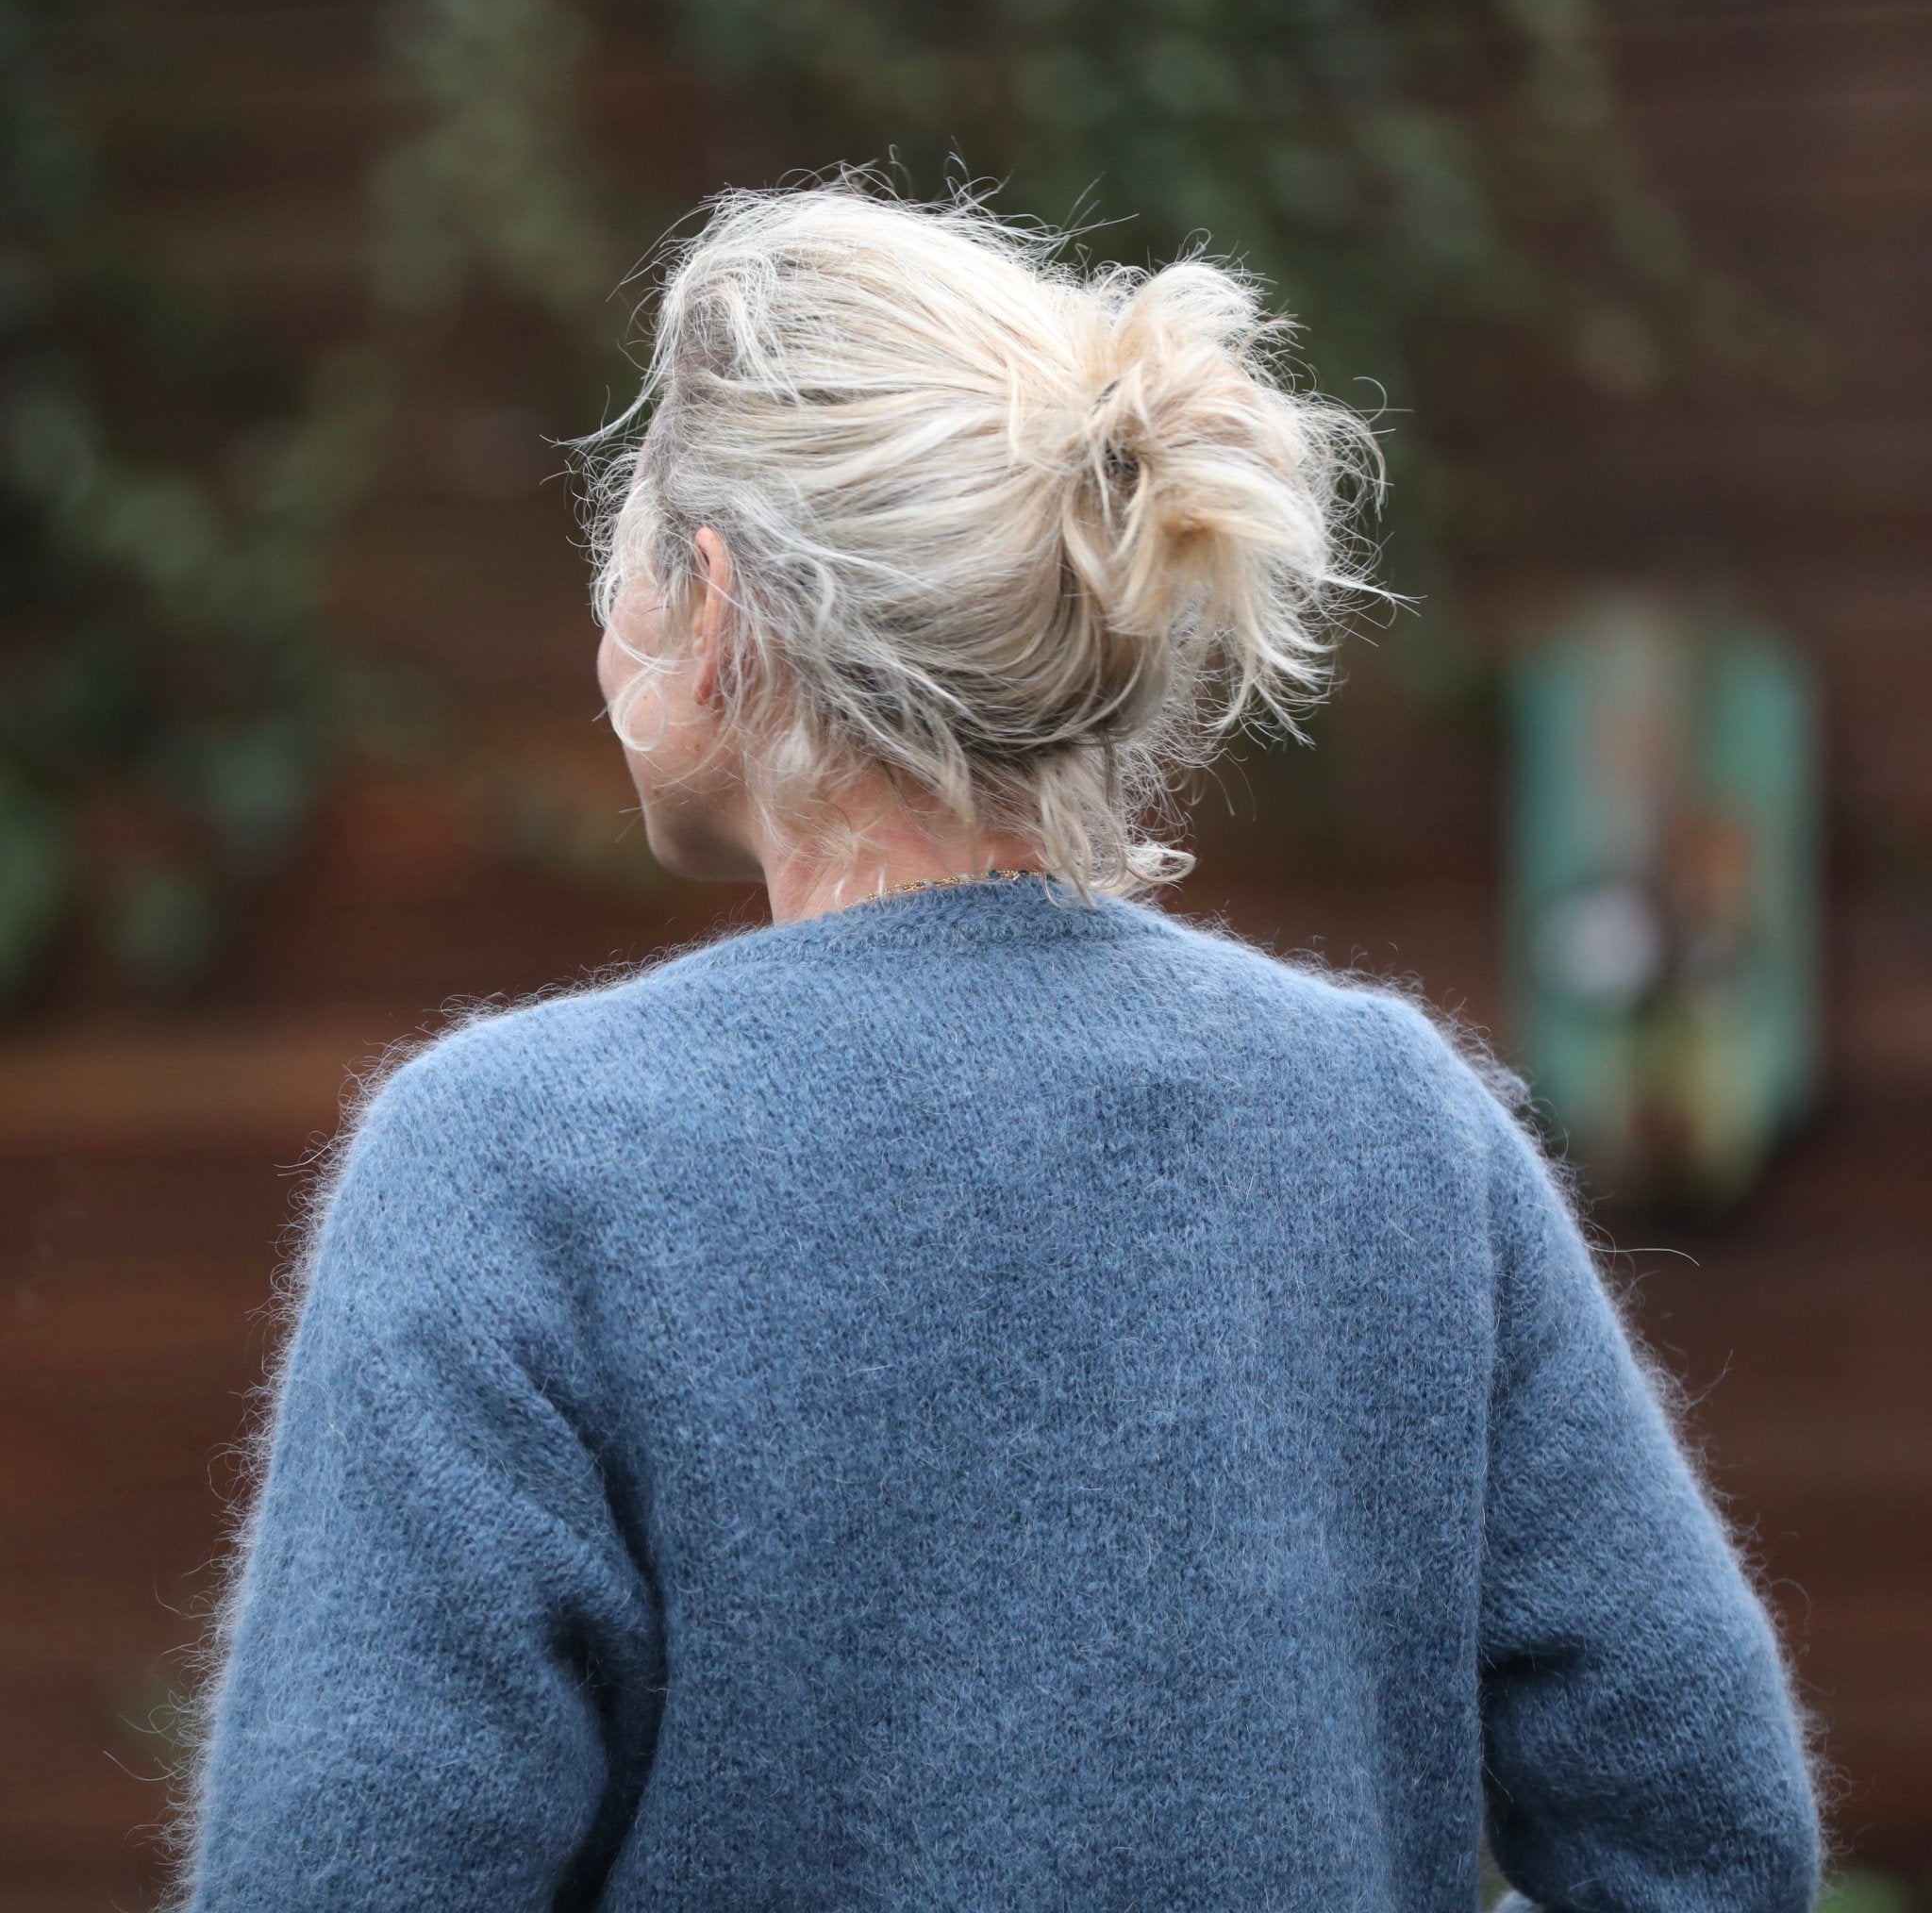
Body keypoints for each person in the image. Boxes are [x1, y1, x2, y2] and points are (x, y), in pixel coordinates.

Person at [167, 178, 1826, 1912]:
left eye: (622, 562)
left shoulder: (510, 1168)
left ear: (715, 613)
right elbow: (1708, 1846)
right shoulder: (1396, 1127)